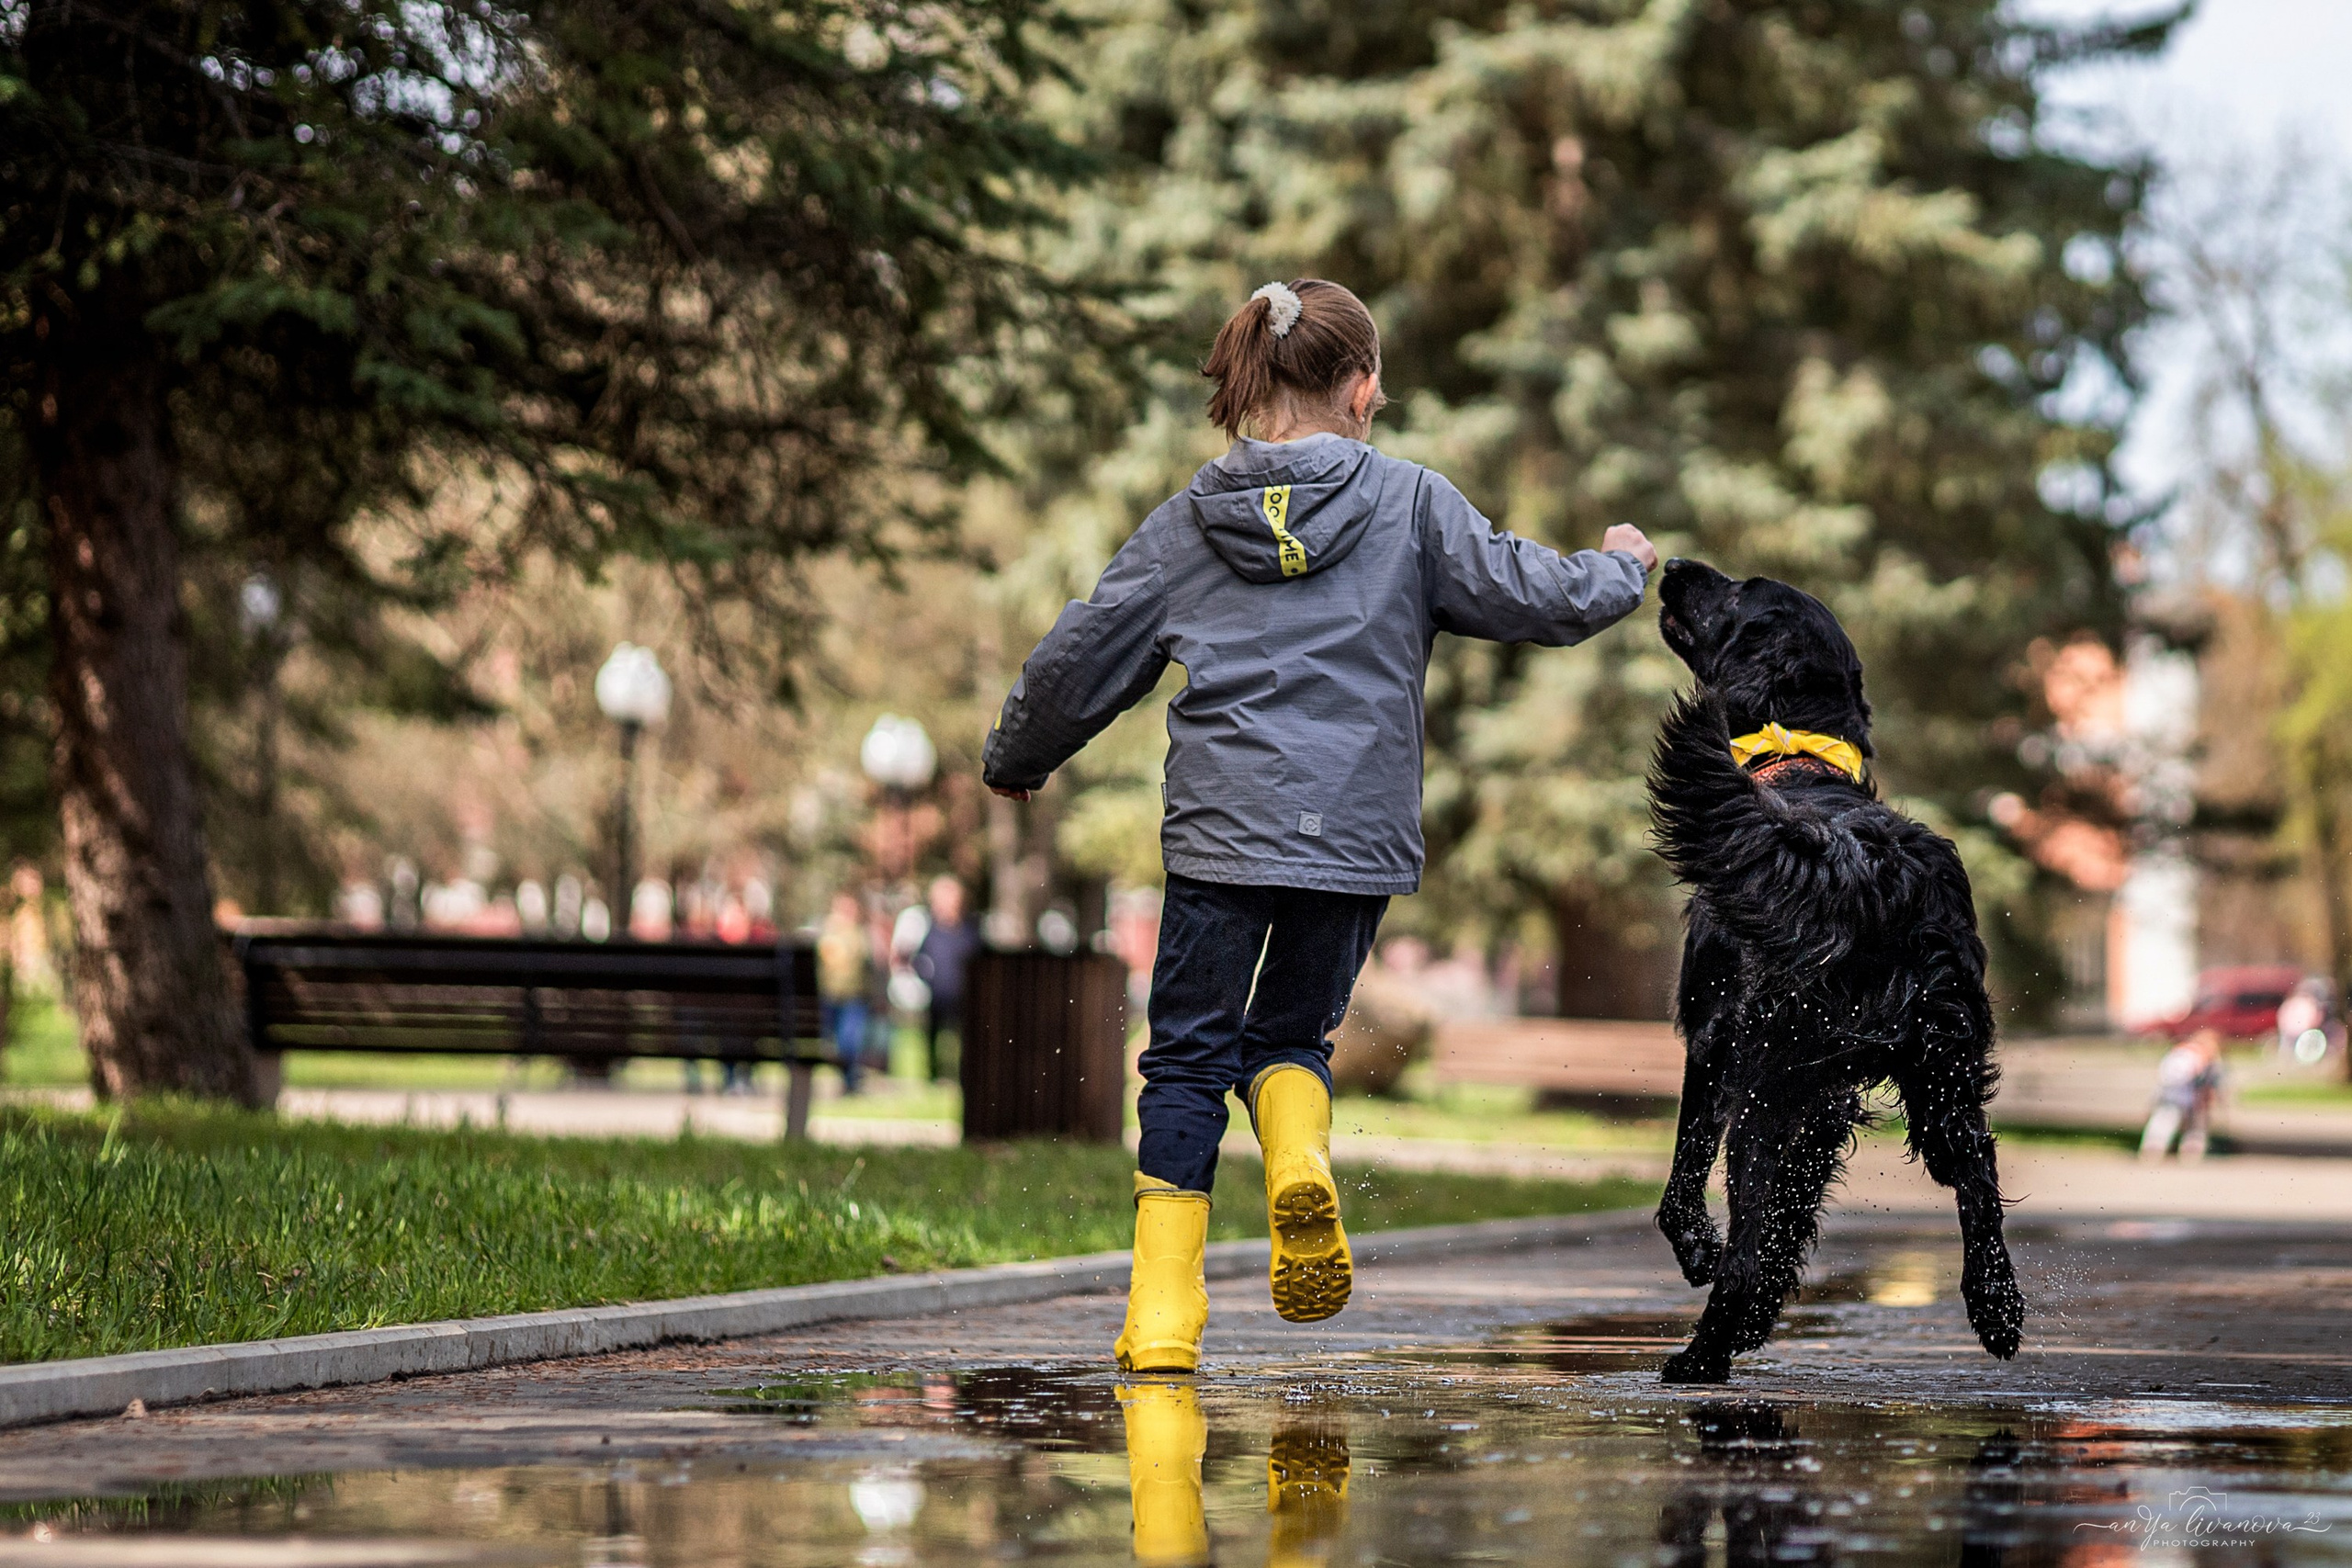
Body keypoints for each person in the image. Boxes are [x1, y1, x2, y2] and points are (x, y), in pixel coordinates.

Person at [981, 277, 1657, 1372]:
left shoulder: (1188, 523)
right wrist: (1620, 569)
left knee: (1189, 1064)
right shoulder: (1412, 505)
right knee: (1290, 1037)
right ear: (1360, 387)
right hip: (1351, 837)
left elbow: (1081, 655)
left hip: (1220, 834)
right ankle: (1298, 1162)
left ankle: (1162, 1316)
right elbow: (1533, 594)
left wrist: (1017, 758)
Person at [911, 876, 981, 1082]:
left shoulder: (969, 930)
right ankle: (933, 1074)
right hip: (938, 993)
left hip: (964, 995)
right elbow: (919, 958)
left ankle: (964, 1074)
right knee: (933, 1036)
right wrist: (928, 978)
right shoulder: (931, 930)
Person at [816, 891, 874, 1094]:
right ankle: (848, 1078)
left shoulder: (860, 935)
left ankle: (849, 1080)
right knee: (836, 1041)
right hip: (829, 997)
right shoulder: (825, 933)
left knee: (848, 1040)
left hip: (854, 998)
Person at [2141, 1028, 2224, 1162]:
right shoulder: (2196, 1056)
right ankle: (2168, 1151)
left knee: (2168, 1123)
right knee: (2172, 1122)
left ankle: (2159, 1150)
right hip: (2182, 1097)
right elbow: (2192, 1078)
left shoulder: (2180, 1053)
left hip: (2179, 1096)